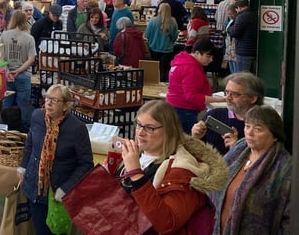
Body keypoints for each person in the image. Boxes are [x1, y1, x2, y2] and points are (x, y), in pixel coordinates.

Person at [116, 100, 228, 234]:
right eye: (139, 124)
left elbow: (167, 224)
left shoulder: (182, 170)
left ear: (169, 130)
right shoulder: (134, 155)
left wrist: (136, 174)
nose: (140, 132)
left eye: (149, 128)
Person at [18, 84, 93, 235]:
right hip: (36, 188)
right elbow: (30, 144)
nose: (48, 103)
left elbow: (86, 164)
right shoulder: (37, 117)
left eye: (54, 100)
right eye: (47, 98)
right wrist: (23, 166)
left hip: (58, 192)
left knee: (57, 230)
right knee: (40, 229)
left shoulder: (77, 129)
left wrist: (66, 188)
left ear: (66, 106)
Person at [209, 106, 291, 234]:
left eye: (258, 129)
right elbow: (215, 180)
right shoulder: (239, 148)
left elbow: (289, 219)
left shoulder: (285, 167)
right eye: (247, 126)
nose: (250, 133)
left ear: (275, 136)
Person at [191, 72, 265, 156]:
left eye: (235, 94)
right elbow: (195, 151)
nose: (228, 98)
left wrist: (237, 147)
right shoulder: (214, 114)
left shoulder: (262, 125)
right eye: (227, 92)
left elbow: (263, 161)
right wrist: (195, 137)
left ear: (253, 98)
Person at [166, 39, 227, 133]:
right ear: (197, 53)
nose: (211, 60)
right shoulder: (192, 68)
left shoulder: (181, 61)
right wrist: (221, 99)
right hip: (184, 110)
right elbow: (191, 96)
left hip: (173, 106)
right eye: (208, 56)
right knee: (187, 140)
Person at [1, 10, 37, 131]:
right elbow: (31, 59)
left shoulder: (4, 35)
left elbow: (0, 57)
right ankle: (22, 134)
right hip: (23, 76)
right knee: (23, 107)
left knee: (6, 106)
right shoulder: (29, 38)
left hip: (7, 76)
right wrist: (18, 71)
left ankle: (3, 131)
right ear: (25, 21)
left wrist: (7, 71)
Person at [144, 3, 179, 82]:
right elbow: (175, 37)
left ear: (159, 10)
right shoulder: (173, 22)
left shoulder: (152, 21)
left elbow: (147, 35)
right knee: (165, 70)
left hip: (154, 49)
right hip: (168, 49)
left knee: (155, 69)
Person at [227, 0, 258, 72]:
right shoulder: (255, 14)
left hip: (243, 51)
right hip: (254, 49)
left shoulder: (241, 17)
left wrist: (229, 29)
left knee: (241, 75)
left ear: (238, 8)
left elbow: (234, 32)